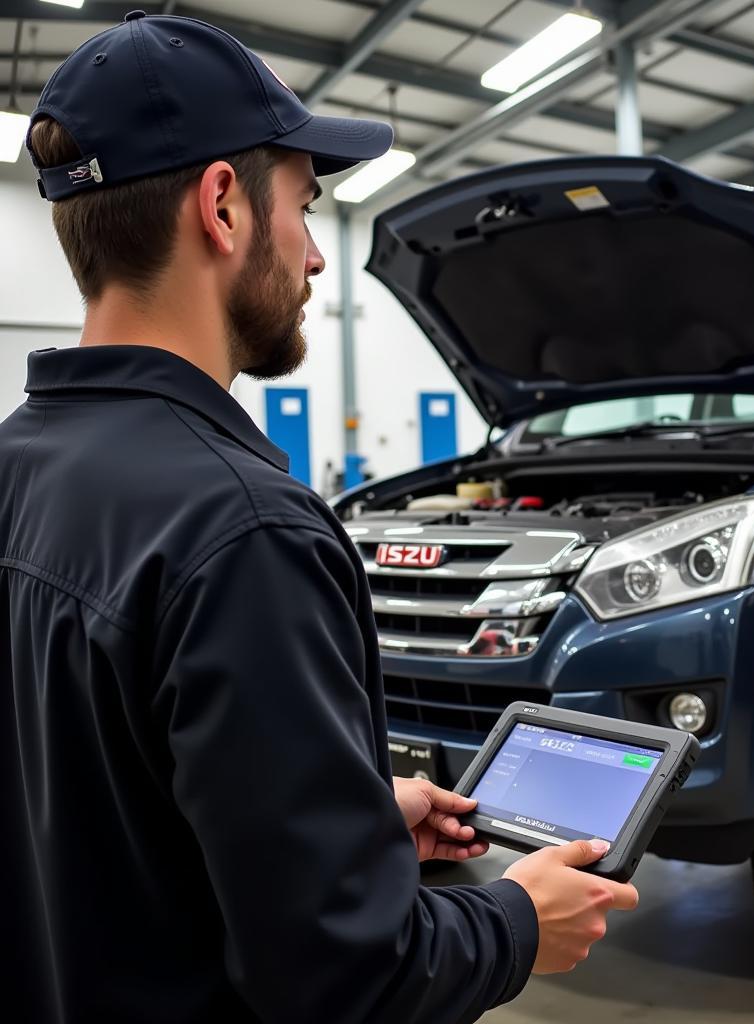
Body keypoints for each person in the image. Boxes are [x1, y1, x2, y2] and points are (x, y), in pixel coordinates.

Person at [0, 12, 639, 1024]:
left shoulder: (16, 465)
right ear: (222, 206)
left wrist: (346, 825)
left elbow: (92, 806)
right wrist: (520, 922)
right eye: (303, 204)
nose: (314, 259)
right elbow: (343, 976)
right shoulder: (244, 530)